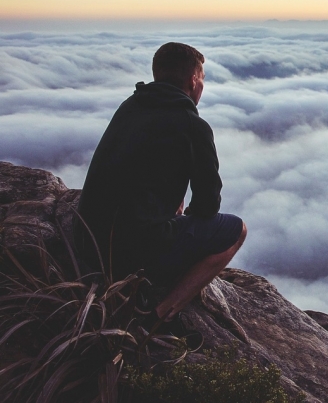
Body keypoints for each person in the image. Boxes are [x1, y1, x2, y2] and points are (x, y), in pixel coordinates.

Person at [75, 42, 246, 331]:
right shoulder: (192, 125)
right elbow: (207, 205)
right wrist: (184, 217)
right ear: (194, 81)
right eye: (201, 78)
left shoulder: (130, 106)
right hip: (132, 254)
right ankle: (160, 315)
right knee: (235, 230)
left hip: (87, 243)